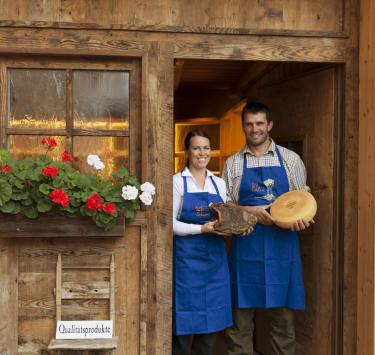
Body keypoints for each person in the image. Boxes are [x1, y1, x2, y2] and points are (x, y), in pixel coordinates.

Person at [222, 102, 314, 355]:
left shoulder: (291, 160)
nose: (255, 129)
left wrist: (302, 219)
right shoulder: (233, 164)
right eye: (249, 124)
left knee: (283, 323)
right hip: (245, 249)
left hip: (282, 249)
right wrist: (251, 212)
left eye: (260, 123)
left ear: (270, 125)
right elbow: (225, 208)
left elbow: (302, 199)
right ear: (243, 127)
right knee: (239, 325)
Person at [172, 130, 232, 355]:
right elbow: (169, 225)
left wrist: (236, 227)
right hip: (187, 264)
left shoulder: (219, 183)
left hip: (215, 263)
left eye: (206, 148)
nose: (201, 153)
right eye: (196, 148)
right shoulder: (177, 182)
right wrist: (202, 228)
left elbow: (225, 219)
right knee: (183, 331)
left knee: (210, 328)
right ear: (188, 151)